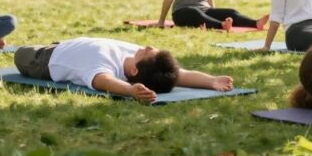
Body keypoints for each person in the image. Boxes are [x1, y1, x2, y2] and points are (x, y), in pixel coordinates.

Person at [14, 37, 233, 103]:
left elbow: (104, 82)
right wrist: (211, 81)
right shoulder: (136, 57)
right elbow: (181, 75)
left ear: (136, 72)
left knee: (19, 53)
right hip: (66, 44)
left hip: (42, 59)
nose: (147, 46)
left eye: (149, 52)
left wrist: (131, 91)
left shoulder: (102, 66)